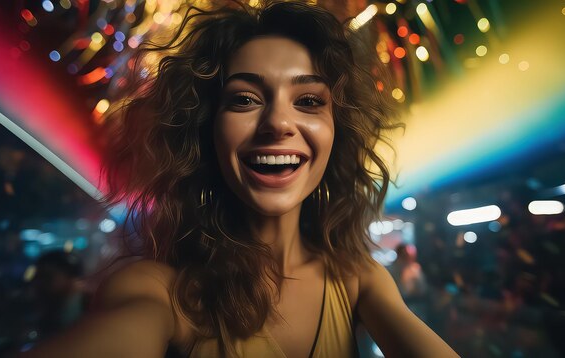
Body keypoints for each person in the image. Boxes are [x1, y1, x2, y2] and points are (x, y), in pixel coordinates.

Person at [25, 1, 458, 357]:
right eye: (245, 99)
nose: (277, 123)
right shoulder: (157, 291)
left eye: (307, 100)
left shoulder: (358, 279)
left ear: (336, 132)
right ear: (205, 130)